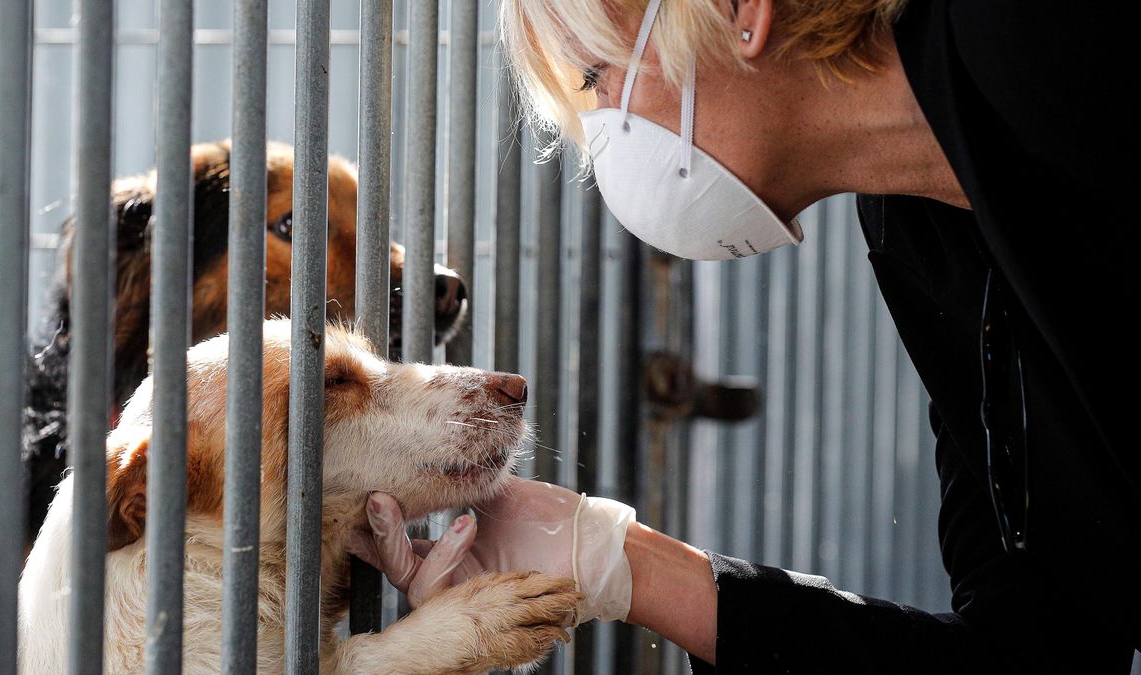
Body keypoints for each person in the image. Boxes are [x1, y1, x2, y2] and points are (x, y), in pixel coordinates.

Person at [348, 0, 1139, 671]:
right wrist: (611, 560)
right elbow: (1028, 650)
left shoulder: (1042, 39)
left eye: (596, 76)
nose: (603, 133)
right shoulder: (918, 231)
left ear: (737, 10)